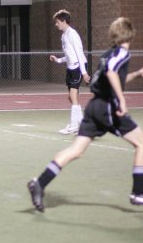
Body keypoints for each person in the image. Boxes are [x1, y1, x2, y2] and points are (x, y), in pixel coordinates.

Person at [28, 17, 143, 212]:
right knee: (141, 144)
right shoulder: (122, 53)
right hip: (108, 107)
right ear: (130, 33)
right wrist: (122, 100)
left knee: (76, 151)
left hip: (94, 107)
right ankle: (138, 193)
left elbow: (113, 76)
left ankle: (39, 183)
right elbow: (113, 75)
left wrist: (137, 74)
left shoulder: (108, 54)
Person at [50, 9, 91, 134]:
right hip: (70, 68)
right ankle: (83, 125)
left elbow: (78, 53)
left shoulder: (73, 34)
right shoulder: (64, 35)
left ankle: (74, 126)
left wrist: (84, 72)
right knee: (71, 97)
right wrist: (58, 60)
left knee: (73, 96)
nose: (56, 24)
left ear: (63, 21)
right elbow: (69, 55)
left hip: (78, 67)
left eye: (57, 22)